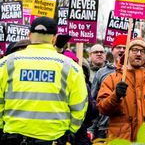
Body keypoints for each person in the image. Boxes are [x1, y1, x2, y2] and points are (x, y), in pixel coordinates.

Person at [0, 16, 88, 144]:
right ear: (54, 38)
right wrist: (70, 130)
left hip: (14, 138)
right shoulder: (71, 67)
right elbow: (79, 106)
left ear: (29, 35)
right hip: (53, 139)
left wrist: (3, 128)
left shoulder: (6, 63)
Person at [97, 38, 145, 141]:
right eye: (134, 50)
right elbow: (102, 108)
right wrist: (115, 96)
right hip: (120, 140)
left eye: (142, 51)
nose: (139, 54)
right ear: (127, 53)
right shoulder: (112, 79)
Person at [89, 34, 127, 139]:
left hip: (127, 128)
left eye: (125, 47)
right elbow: (93, 102)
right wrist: (91, 128)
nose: (122, 50)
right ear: (112, 50)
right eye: (118, 47)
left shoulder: (134, 72)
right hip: (104, 128)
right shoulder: (101, 73)